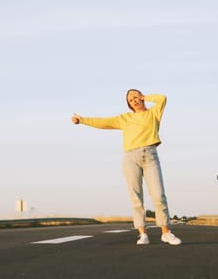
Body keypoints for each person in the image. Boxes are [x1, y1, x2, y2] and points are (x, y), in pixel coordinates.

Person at [72, 89, 182, 245]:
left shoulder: (153, 113)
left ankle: (166, 232)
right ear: (129, 104)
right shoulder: (125, 118)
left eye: (136, 97)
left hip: (150, 156)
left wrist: (146, 97)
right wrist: (82, 120)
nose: (134, 100)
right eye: (130, 100)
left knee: (158, 196)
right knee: (136, 197)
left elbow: (162, 98)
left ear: (142, 97)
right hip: (131, 157)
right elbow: (103, 122)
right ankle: (142, 233)